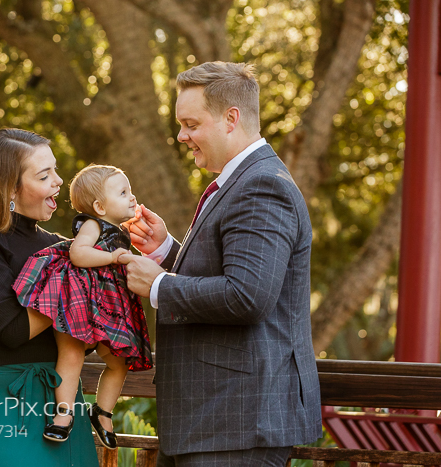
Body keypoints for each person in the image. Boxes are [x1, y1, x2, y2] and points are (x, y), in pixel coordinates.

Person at [118, 62, 322, 466]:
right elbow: (232, 275)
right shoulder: (240, 180)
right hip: (212, 421)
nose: (181, 136)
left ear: (231, 119)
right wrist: (167, 252)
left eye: (191, 123)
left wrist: (158, 284)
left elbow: (248, 297)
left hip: (237, 423)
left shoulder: (263, 186)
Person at [0, 128, 98, 467]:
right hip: (9, 402)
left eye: (55, 169)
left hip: (65, 402)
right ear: (10, 188)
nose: (59, 181)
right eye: (45, 175)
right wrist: (69, 288)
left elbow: (86, 337)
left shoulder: (61, 248)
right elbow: (13, 331)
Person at [13, 164, 153, 449]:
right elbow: (78, 254)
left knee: (119, 360)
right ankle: (63, 414)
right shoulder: (94, 225)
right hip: (78, 298)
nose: (132, 197)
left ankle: (102, 412)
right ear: (100, 206)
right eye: (123, 192)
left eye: (130, 191)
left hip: (109, 302)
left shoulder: (120, 231)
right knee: (72, 351)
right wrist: (115, 257)